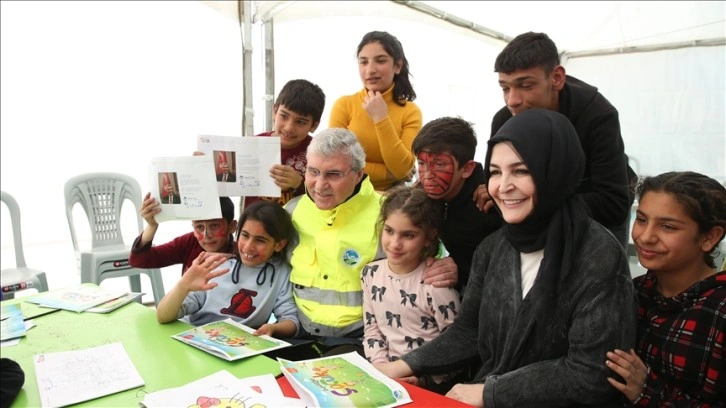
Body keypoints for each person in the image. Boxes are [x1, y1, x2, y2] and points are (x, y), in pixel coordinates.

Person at [374, 109, 637, 407]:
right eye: (496, 172)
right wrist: (399, 367)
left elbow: (591, 373)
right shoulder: (495, 248)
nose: (503, 186)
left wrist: (490, 392)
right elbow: (469, 331)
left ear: (557, 170)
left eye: (521, 171)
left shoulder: (598, 255)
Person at [284, 128, 458, 358]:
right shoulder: (292, 211)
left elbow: (429, 259)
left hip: (367, 343)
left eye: (333, 174)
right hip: (299, 335)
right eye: (313, 172)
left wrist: (450, 264)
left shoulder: (388, 214)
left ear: (358, 174)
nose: (319, 184)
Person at [476, 31, 637, 249]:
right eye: (505, 88)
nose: (512, 100)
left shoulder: (598, 114)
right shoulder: (504, 119)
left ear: (557, 78)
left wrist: (536, 201)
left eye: (526, 85)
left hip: (595, 221)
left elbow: (613, 203)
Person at [605, 171, 726, 406]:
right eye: (641, 220)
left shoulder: (719, 311)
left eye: (668, 227)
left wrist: (647, 391)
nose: (646, 236)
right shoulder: (632, 292)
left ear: (710, 237)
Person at [362, 186, 463, 394]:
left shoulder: (436, 286)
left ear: (429, 237)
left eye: (408, 235)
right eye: (389, 231)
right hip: (382, 378)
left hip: (429, 386)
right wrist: (380, 368)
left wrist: (425, 380)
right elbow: (372, 328)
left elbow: (457, 348)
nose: (395, 244)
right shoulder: (370, 274)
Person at [156, 201, 298, 338]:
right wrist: (184, 284)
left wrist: (274, 328)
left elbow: (290, 319)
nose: (248, 246)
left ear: (279, 244)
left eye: (260, 240)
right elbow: (163, 316)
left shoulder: (282, 272)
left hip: (241, 345)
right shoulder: (215, 265)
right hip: (196, 336)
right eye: (245, 235)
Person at [412, 117, 503, 293]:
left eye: (439, 164)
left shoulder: (489, 204)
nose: (427, 175)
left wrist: (460, 272)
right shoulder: (423, 196)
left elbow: (501, 271)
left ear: (467, 169)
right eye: (422, 163)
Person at [329, 31, 422, 191]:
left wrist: (381, 118)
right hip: (348, 192)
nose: (370, 70)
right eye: (363, 62)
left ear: (397, 66)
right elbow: (334, 161)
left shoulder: (411, 112)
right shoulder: (344, 105)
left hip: (391, 197)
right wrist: (388, 173)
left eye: (380, 61)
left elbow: (401, 168)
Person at [245, 79, 326, 210]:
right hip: (254, 226)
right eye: (284, 116)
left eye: (300, 122)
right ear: (274, 111)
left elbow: (327, 196)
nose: (289, 128)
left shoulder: (319, 153)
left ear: (314, 125)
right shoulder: (251, 145)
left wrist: (299, 183)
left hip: (298, 227)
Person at [129, 196, 237, 276]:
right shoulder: (190, 242)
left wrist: (234, 259)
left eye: (214, 225)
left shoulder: (243, 250)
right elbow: (139, 260)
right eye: (199, 227)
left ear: (232, 226)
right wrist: (152, 226)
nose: (206, 235)